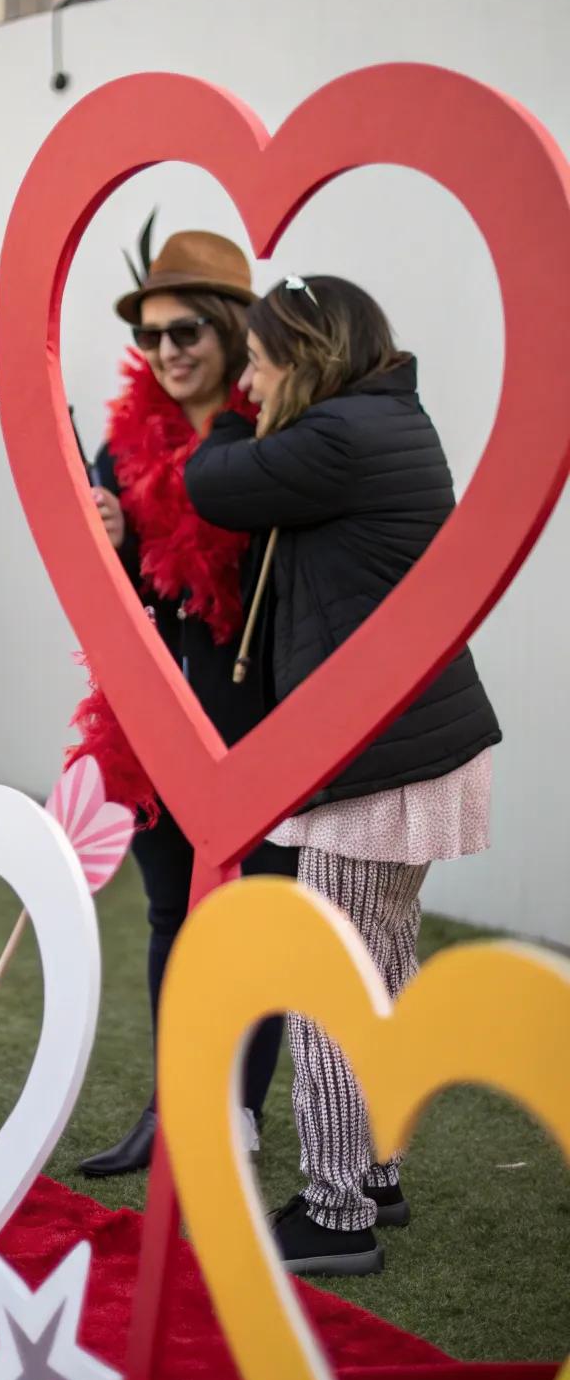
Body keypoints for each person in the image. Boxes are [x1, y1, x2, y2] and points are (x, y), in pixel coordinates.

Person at [185, 274, 501, 1274]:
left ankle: (335, 1213)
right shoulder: (380, 421)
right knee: (381, 965)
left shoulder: (339, 438)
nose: (249, 377)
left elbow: (212, 485)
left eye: (260, 359)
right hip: (416, 747)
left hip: (380, 756)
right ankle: (374, 1169)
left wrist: (227, 420)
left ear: (305, 357)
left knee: (329, 976)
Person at [75, 228, 299, 1179]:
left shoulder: (283, 438)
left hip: (261, 727)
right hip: (149, 727)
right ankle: (173, 1106)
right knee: (173, 917)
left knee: (251, 927)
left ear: (232, 329)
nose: (168, 349)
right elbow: (101, 603)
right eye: (153, 333)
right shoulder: (117, 451)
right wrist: (113, 541)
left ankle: (234, 1119)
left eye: (188, 330)